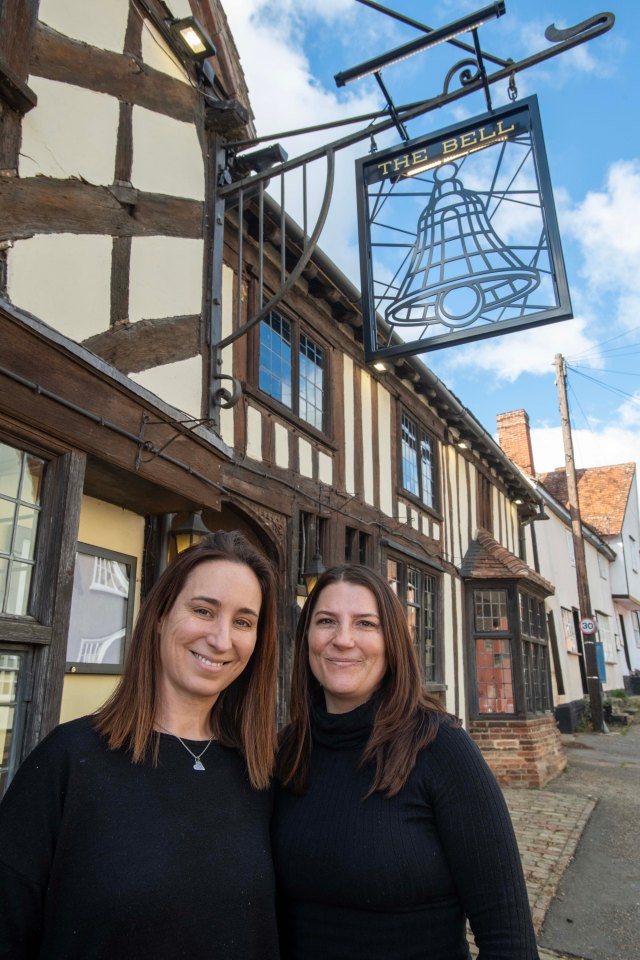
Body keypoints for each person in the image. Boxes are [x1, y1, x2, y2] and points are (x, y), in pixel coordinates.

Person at [0, 530, 281, 960]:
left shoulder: (263, 774)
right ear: (159, 617)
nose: (223, 640)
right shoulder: (69, 761)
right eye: (204, 610)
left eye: (243, 621)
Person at [272, 563, 540, 960]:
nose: (343, 639)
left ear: (392, 641)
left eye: (365, 623)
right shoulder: (288, 749)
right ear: (307, 635)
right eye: (326, 621)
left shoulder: (441, 749)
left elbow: (509, 939)